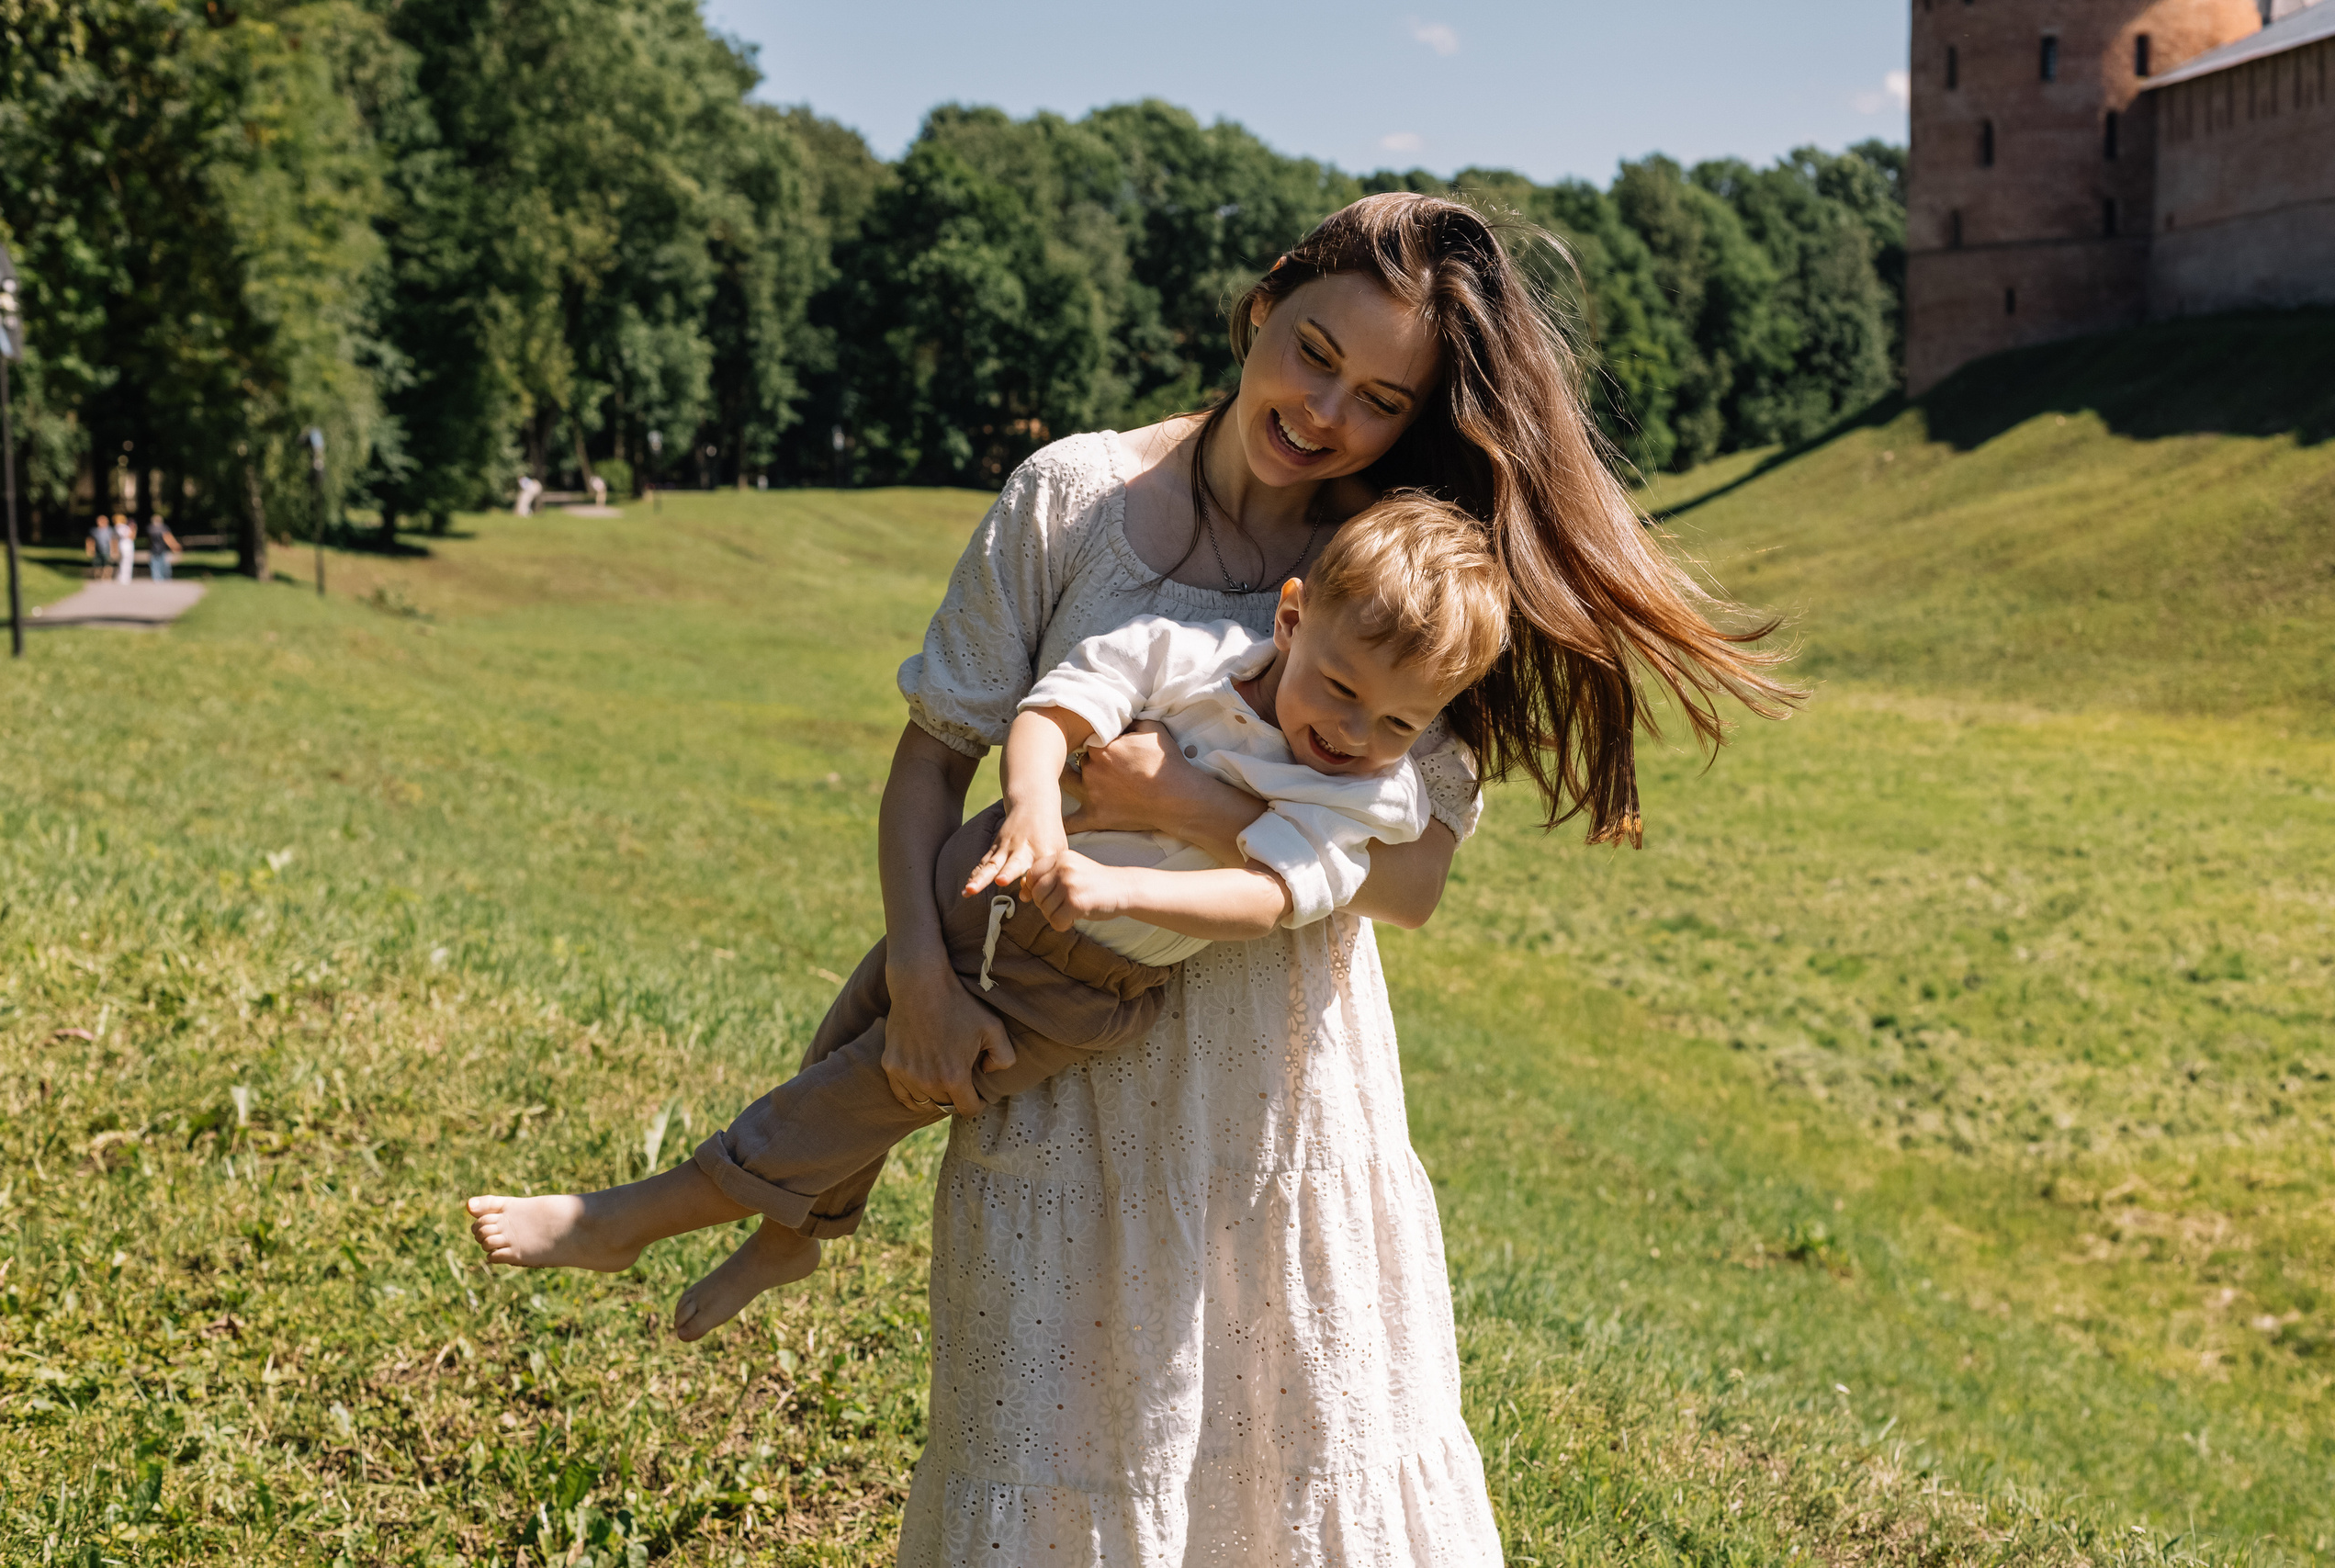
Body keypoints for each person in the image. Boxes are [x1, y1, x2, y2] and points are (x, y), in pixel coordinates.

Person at [527, 193, 1794, 1562]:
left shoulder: (1398, 566)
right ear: (1262, 309)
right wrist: (915, 969)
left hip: (1279, 1096)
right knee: (1063, 1454)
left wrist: (1171, 798)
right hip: (1062, 1091)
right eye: (1313, 352)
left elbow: (1410, 878)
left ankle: (740, 1206)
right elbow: (927, 764)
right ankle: (749, 1210)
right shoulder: (1075, 498)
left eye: (1379, 397)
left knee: (1297, 1456)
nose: (1326, 413)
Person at [468, 494, 1507, 1346]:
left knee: (865, 1096)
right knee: (857, 1033)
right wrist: (1036, 808)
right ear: (1290, 617)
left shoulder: (1367, 795)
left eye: (1397, 723)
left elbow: (1276, 897)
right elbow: (1055, 710)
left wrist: (1120, 891)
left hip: (1072, 979)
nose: (1352, 731)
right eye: (1340, 688)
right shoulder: (1186, 651)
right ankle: (796, 1233)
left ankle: (625, 1218)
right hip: (987, 871)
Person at [144, 514, 181, 581]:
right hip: (162, 548)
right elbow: (168, 538)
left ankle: (156, 578)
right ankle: (164, 578)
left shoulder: (150, 528)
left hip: (153, 549)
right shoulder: (163, 528)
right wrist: (174, 546)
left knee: (154, 565)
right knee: (164, 564)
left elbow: (149, 540)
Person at [88, 514, 115, 581]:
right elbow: (90, 541)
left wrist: (114, 550)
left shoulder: (110, 530)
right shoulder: (94, 531)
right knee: (97, 565)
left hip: (107, 550)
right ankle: (98, 577)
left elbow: (113, 541)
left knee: (108, 564)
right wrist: (90, 549)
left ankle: (107, 577)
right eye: (100, 521)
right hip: (97, 551)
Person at [113, 514, 136, 583]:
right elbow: (128, 536)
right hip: (125, 546)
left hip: (126, 545)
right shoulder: (120, 527)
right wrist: (133, 528)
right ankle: (124, 577)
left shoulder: (122, 527)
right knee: (126, 561)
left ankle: (124, 576)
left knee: (126, 561)